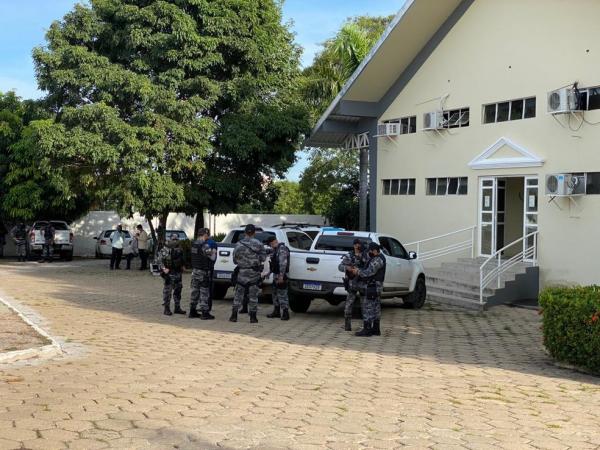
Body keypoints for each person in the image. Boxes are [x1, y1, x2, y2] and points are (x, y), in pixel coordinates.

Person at [230, 224, 266, 324]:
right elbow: (263, 258)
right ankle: (253, 317)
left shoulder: (238, 244)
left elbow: (234, 260)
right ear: (254, 233)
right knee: (253, 295)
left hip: (241, 272)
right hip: (253, 273)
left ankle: (234, 315)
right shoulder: (258, 244)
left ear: (245, 232)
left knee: (238, 295)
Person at [349, 242, 386, 337]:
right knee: (375, 307)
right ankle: (375, 329)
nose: (368, 252)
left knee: (368, 307)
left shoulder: (378, 260)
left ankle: (367, 329)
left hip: (373, 287)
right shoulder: (376, 258)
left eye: (370, 250)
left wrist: (357, 271)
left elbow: (369, 272)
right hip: (374, 286)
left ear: (374, 250)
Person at [338, 239, 369, 331]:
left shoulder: (366, 255)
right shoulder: (349, 256)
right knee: (349, 304)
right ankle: (347, 326)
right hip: (352, 283)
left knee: (365, 305)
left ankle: (365, 326)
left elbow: (370, 267)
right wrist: (347, 268)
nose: (359, 246)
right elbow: (340, 266)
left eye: (360, 245)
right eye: (358, 245)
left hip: (363, 283)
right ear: (355, 245)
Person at [188, 228, 216, 320]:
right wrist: (214, 252)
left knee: (194, 291)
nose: (208, 236)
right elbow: (212, 258)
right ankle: (205, 313)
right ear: (205, 235)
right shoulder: (205, 245)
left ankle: (192, 311)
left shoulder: (193, 244)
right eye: (207, 235)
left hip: (195, 271)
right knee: (204, 292)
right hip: (203, 272)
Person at [158, 233, 186, 316]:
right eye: (173, 239)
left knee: (178, 290)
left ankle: (177, 308)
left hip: (178, 272)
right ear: (169, 239)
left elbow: (181, 259)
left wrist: (183, 266)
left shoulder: (179, 248)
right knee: (168, 291)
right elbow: (159, 260)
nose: (175, 241)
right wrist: (163, 268)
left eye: (176, 239)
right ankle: (166, 309)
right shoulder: (165, 249)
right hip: (169, 273)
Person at [265, 235, 291, 321]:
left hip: (281, 276)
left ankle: (285, 313)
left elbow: (283, 264)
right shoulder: (275, 250)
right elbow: (274, 264)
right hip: (276, 275)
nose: (270, 246)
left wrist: (281, 276)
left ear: (273, 242)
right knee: (275, 294)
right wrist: (269, 273)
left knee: (282, 295)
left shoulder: (282, 249)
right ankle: (276, 312)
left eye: (270, 244)